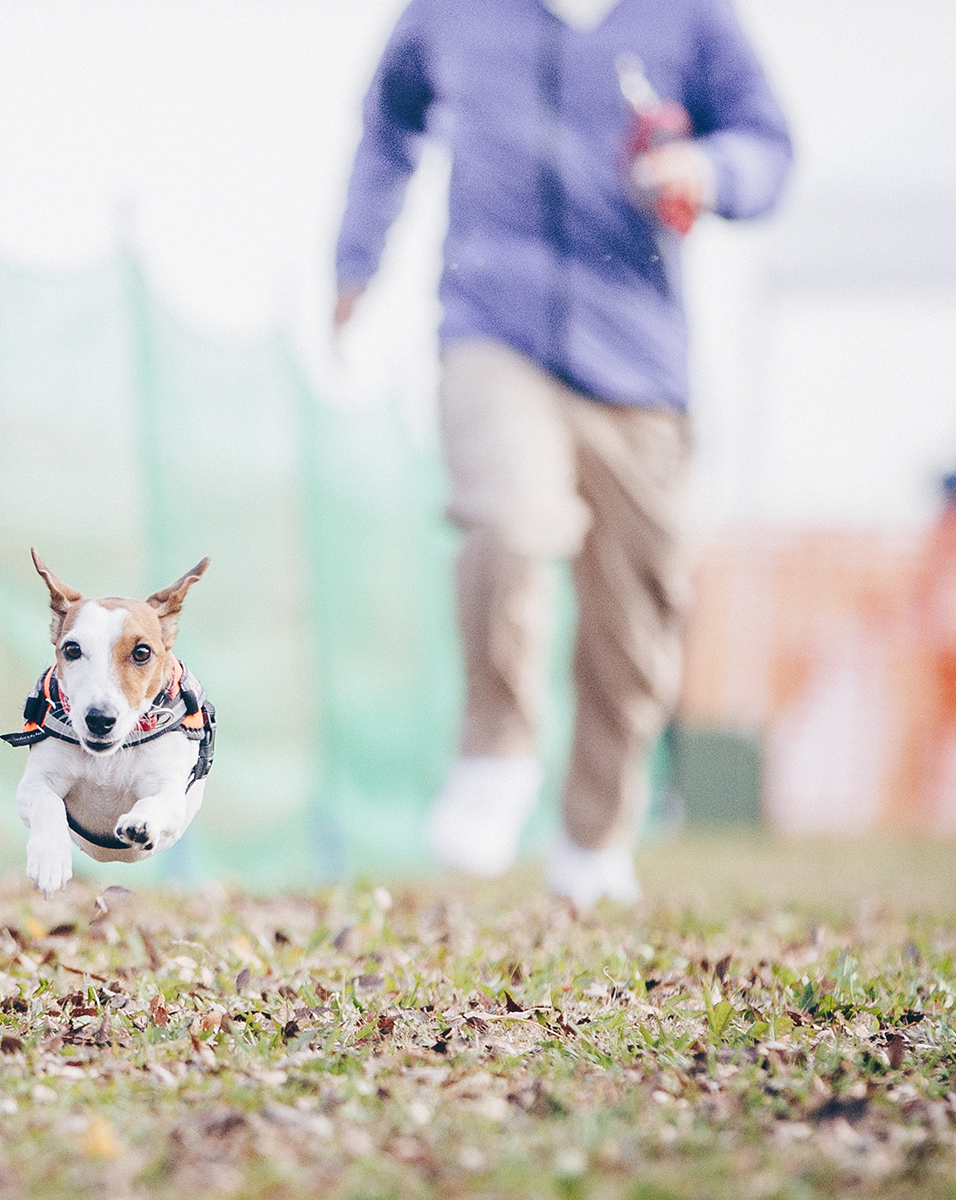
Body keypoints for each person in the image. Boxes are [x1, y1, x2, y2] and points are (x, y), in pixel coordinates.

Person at [333, 0, 792, 903]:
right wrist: (356, 260)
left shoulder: (691, 18)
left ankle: (594, 835)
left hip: (640, 358)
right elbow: (386, 119)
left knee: (637, 625)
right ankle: (497, 750)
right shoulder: (450, 12)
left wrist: (711, 165)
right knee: (507, 518)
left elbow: (770, 147)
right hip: (490, 326)